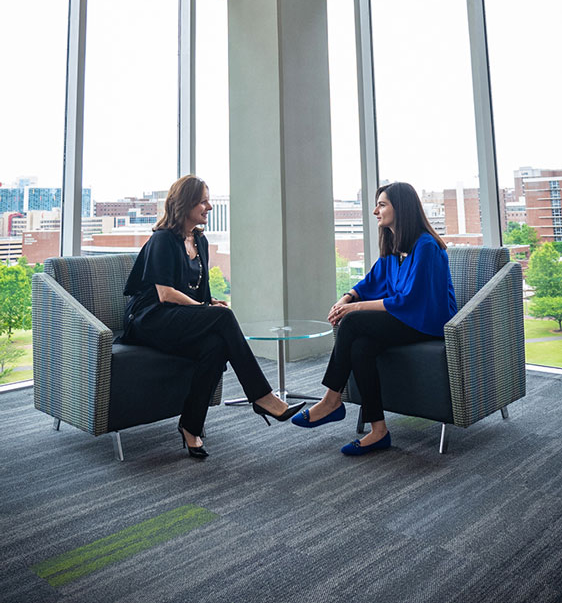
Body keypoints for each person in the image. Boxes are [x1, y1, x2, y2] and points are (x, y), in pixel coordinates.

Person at [121, 175, 304, 459]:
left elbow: (199, 292)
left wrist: (208, 303)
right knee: (223, 318)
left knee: (216, 346)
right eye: (203, 200)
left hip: (177, 316)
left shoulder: (200, 241)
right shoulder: (162, 240)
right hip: (149, 318)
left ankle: (190, 426)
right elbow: (166, 294)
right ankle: (263, 397)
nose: (209, 206)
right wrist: (205, 309)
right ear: (186, 203)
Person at [291, 181, 457, 456]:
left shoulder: (426, 246)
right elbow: (372, 281)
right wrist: (346, 298)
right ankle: (379, 431)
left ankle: (331, 399)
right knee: (361, 346)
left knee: (353, 322)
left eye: (382, 205)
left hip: (427, 321)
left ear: (400, 208)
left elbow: (411, 300)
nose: (375, 211)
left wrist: (354, 310)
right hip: (405, 320)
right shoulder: (395, 244)